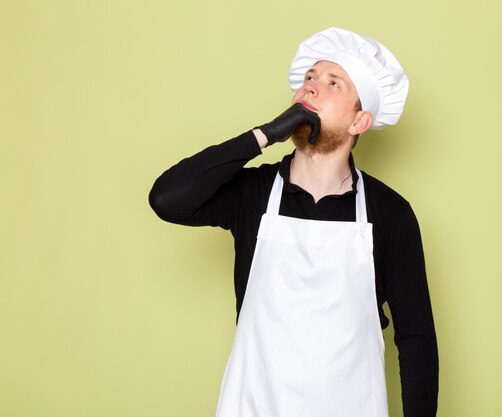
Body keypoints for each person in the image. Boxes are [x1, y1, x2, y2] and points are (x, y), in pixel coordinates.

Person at [149, 27, 438, 417]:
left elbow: (416, 340)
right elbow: (167, 199)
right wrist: (264, 135)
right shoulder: (253, 195)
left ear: (359, 122)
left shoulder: (390, 214)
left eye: (333, 83)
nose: (312, 88)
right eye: (309, 79)